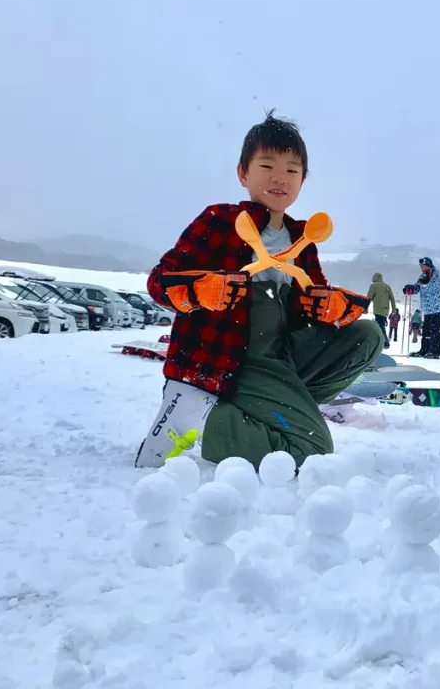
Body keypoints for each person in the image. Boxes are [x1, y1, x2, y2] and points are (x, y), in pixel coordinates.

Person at [137, 112, 381, 470]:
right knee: (310, 450)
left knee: (367, 335)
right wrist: (201, 289)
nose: (280, 177)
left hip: (278, 355)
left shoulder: (304, 240)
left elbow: (308, 310)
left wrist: (332, 307)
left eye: (292, 170)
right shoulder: (220, 221)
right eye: (267, 165)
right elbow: (160, 281)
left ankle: (271, 409)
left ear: (303, 180)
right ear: (243, 173)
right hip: (229, 359)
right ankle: (199, 415)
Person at [409, 257, 440, 358]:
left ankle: (434, 352)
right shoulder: (422, 276)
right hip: (428, 309)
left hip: (437, 308)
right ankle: (424, 350)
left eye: (424, 266)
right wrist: (411, 289)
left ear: (429, 266)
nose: (422, 268)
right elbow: (417, 287)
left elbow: (434, 287)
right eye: (421, 267)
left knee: (434, 330)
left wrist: (422, 285)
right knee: (426, 330)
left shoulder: (436, 275)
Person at [367, 272, 397, 348]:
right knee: (381, 324)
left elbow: (368, 298)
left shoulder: (374, 286)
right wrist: (393, 310)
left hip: (378, 308)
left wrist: (365, 309)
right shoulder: (387, 286)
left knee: (380, 326)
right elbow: (392, 299)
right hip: (385, 309)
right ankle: (380, 341)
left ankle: (385, 342)